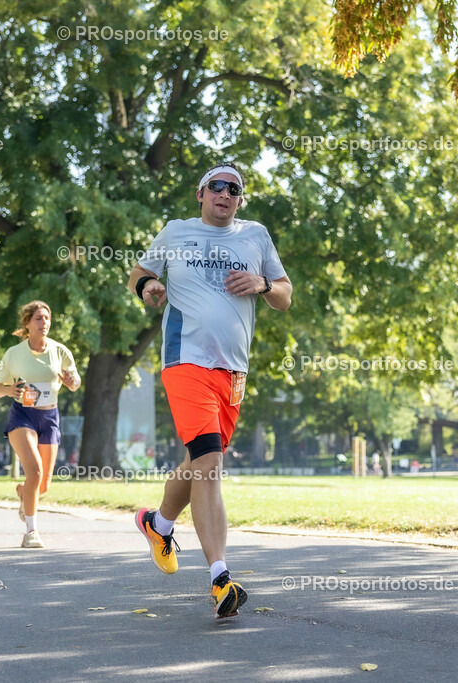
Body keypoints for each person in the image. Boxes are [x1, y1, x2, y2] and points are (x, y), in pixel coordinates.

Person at [128, 162, 291, 618]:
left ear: (240, 199)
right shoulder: (176, 231)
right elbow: (137, 273)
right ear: (200, 194)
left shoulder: (255, 236)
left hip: (232, 372)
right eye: (216, 186)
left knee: (198, 462)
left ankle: (158, 524)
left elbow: (284, 294)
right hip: (184, 360)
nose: (224, 193)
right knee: (211, 463)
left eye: (233, 189)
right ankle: (221, 579)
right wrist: (149, 285)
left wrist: (262, 283)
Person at [0, 301, 80, 548]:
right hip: (23, 416)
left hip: (49, 418)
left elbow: (74, 382)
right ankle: (31, 532)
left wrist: (72, 381)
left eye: (47, 318)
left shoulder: (60, 351)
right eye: (39, 318)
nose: (45, 323)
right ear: (28, 323)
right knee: (35, 471)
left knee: (43, 485)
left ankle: (23, 494)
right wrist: (9, 390)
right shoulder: (14, 353)